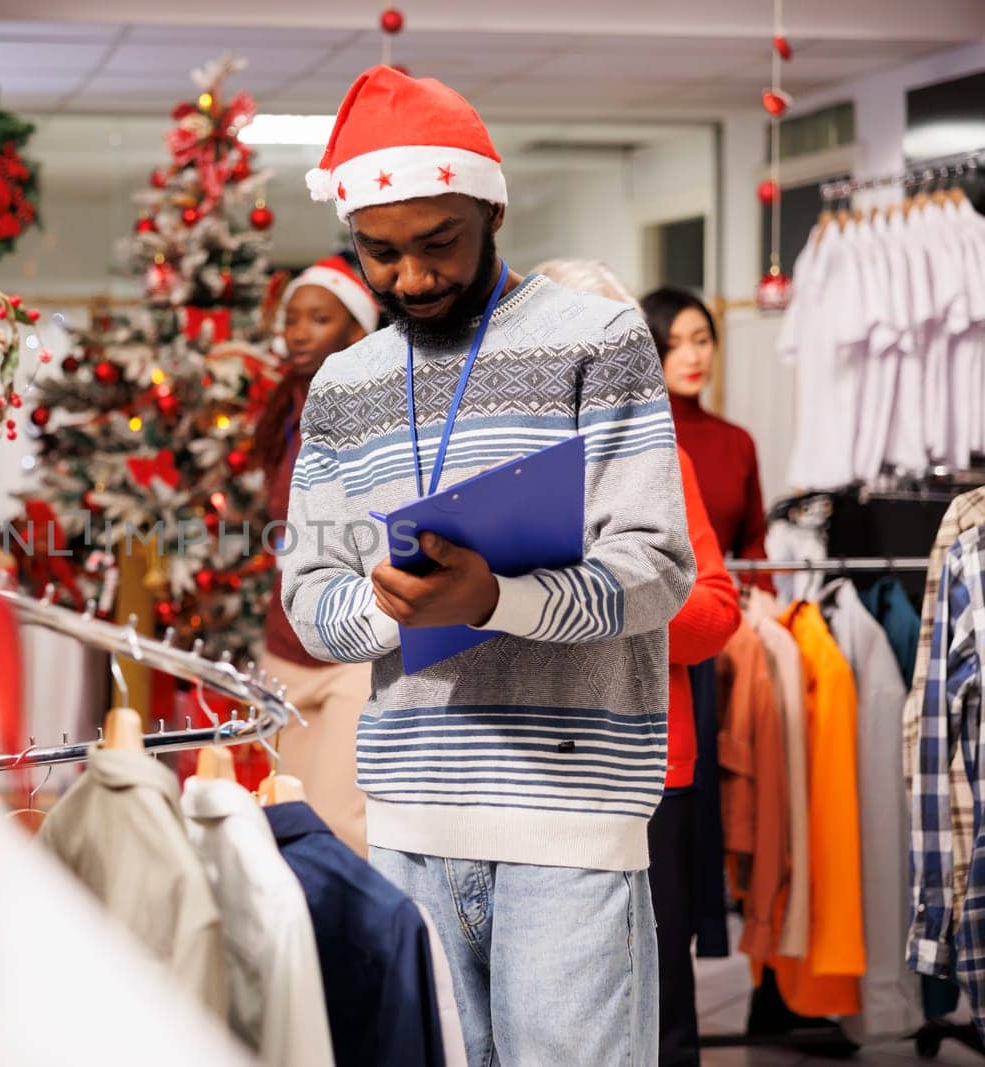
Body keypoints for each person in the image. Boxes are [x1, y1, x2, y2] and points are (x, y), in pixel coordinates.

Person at [283, 68, 695, 1066]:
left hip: (572, 818)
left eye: (439, 244)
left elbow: (657, 568)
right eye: (381, 255)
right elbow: (309, 598)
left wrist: (497, 597)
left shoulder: (595, 339)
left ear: (491, 208)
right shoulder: (344, 382)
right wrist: (395, 608)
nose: (412, 278)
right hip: (407, 819)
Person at [538, 260, 743, 1065]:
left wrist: (603, 599)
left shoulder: (665, 461)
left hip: (644, 767)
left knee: (657, 998)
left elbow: (716, 610)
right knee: (547, 995)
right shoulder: (485, 460)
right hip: (523, 764)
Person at [251, 255, 380, 857]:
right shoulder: (285, 414)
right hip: (283, 647)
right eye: (292, 318)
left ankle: (369, 952)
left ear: (357, 330)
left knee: (338, 824)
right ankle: (304, 952)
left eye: (319, 318)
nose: (298, 332)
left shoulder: (379, 411)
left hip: (351, 649)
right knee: (281, 820)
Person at [641, 286, 774, 592]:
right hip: (652, 604)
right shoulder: (637, 435)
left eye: (701, 341)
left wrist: (763, 597)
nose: (692, 357)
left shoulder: (738, 442)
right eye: (673, 345)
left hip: (724, 600)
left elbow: (753, 543)